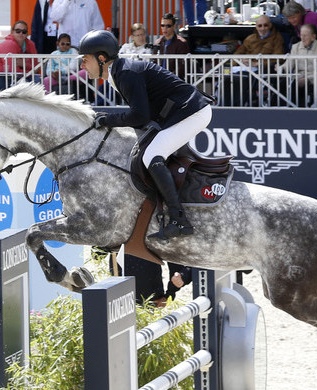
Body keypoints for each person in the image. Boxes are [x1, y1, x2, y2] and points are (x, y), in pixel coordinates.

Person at [81, 30, 213, 239]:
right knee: (145, 150)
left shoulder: (125, 73)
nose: (82, 66)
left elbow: (139, 116)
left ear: (101, 58)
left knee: (152, 155)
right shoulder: (117, 74)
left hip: (192, 112)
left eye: (85, 60)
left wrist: (107, 120)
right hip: (179, 113)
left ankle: (179, 220)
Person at [225, 15, 285, 106]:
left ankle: (239, 106)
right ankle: (226, 106)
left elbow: (278, 58)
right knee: (227, 78)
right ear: (256, 27)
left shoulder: (277, 38)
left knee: (241, 79)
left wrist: (257, 64)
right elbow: (237, 54)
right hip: (244, 67)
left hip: (261, 70)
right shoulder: (250, 38)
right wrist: (241, 60)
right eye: (259, 26)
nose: (263, 28)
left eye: (265, 25)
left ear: (270, 25)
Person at [277, 23, 317, 107]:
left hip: (312, 78)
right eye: (301, 35)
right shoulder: (295, 47)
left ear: (313, 37)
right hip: (297, 76)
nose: (302, 38)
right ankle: (280, 108)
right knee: (282, 84)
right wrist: (281, 68)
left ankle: (296, 109)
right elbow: (289, 63)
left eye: (305, 36)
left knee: (297, 86)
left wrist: (307, 79)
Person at [0, 20, 40, 95]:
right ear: (12, 32)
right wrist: (30, 69)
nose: (21, 34)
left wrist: (24, 64)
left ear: (27, 33)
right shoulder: (8, 44)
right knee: (29, 83)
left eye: (24, 32)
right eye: (18, 31)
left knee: (37, 81)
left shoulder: (30, 44)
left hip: (18, 77)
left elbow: (37, 67)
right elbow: (12, 70)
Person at [153, 13, 191, 78]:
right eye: (162, 25)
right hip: (158, 80)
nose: (165, 28)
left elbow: (182, 67)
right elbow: (154, 63)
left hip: (174, 80)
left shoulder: (181, 43)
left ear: (174, 26)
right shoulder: (157, 42)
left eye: (168, 26)